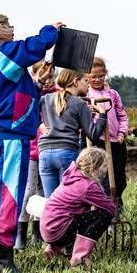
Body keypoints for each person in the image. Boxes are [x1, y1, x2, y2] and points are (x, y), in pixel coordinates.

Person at [0, 13, 60, 273]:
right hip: (9, 139)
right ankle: (4, 263)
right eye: (8, 25)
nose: (13, 29)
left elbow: (15, 95)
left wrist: (39, 83)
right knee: (9, 198)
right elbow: (32, 46)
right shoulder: (3, 53)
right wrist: (51, 30)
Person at [40, 147, 116, 267]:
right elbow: (110, 209)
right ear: (92, 170)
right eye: (104, 165)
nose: (107, 168)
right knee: (105, 215)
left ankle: (53, 249)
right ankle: (79, 257)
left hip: (48, 229)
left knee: (76, 217)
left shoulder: (72, 176)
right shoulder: (88, 186)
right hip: (58, 232)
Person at [38, 68, 106, 198]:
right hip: (65, 152)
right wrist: (102, 114)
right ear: (76, 81)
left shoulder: (46, 98)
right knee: (66, 198)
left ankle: (49, 219)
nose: (88, 84)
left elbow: (28, 107)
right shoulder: (80, 104)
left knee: (51, 201)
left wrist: (38, 124)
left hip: (45, 153)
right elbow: (93, 135)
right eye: (85, 81)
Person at [16, 61, 56, 249]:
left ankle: (37, 233)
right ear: (34, 74)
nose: (48, 81)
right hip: (33, 150)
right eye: (45, 76)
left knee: (43, 193)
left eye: (51, 76)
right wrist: (37, 124)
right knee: (29, 191)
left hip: (49, 150)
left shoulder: (57, 95)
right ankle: (20, 234)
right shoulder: (31, 92)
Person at [87, 57, 130, 213]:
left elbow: (122, 116)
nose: (98, 79)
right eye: (94, 77)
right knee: (102, 177)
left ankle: (118, 199)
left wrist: (122, 132)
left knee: (119, 176)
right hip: (98, 141)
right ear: (87, 77)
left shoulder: (112, 94)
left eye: (101, 76)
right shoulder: (86, 95)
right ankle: (104, 207)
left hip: (115, 141)